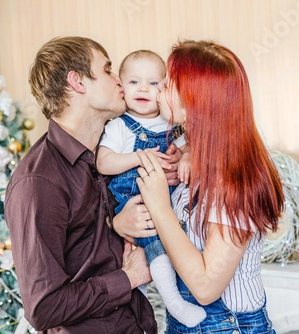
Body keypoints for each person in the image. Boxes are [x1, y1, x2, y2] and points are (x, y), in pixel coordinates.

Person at [5, 36, 181, 333]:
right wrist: (129, 278)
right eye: (108, 70)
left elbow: (92, 238)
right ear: (78, 82)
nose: (119, 81)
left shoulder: (114, 149)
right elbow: (44, 307)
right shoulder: (38, 182)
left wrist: (118, 222)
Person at [117, 40, 285, 333]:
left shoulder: (235, 177)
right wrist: (123, 222)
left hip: (227, 326)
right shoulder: (190, 157)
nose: (158, 91)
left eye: (167, 85)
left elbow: (206, 287)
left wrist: (158, 205)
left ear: (194, 101)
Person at [97, 50, 205, 327]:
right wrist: (138, 157)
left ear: (165, 89)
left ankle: (166, 302)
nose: (143, 89)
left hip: (167, 206)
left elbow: (191, 146)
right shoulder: (120, 126)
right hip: (136, 203)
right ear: (121, 86)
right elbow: (104, 162)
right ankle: (173, 303)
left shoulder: (171, 122)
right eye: (134, 82)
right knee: (150, 250)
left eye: (154, 83)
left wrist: (189, 158)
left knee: (178, 249)